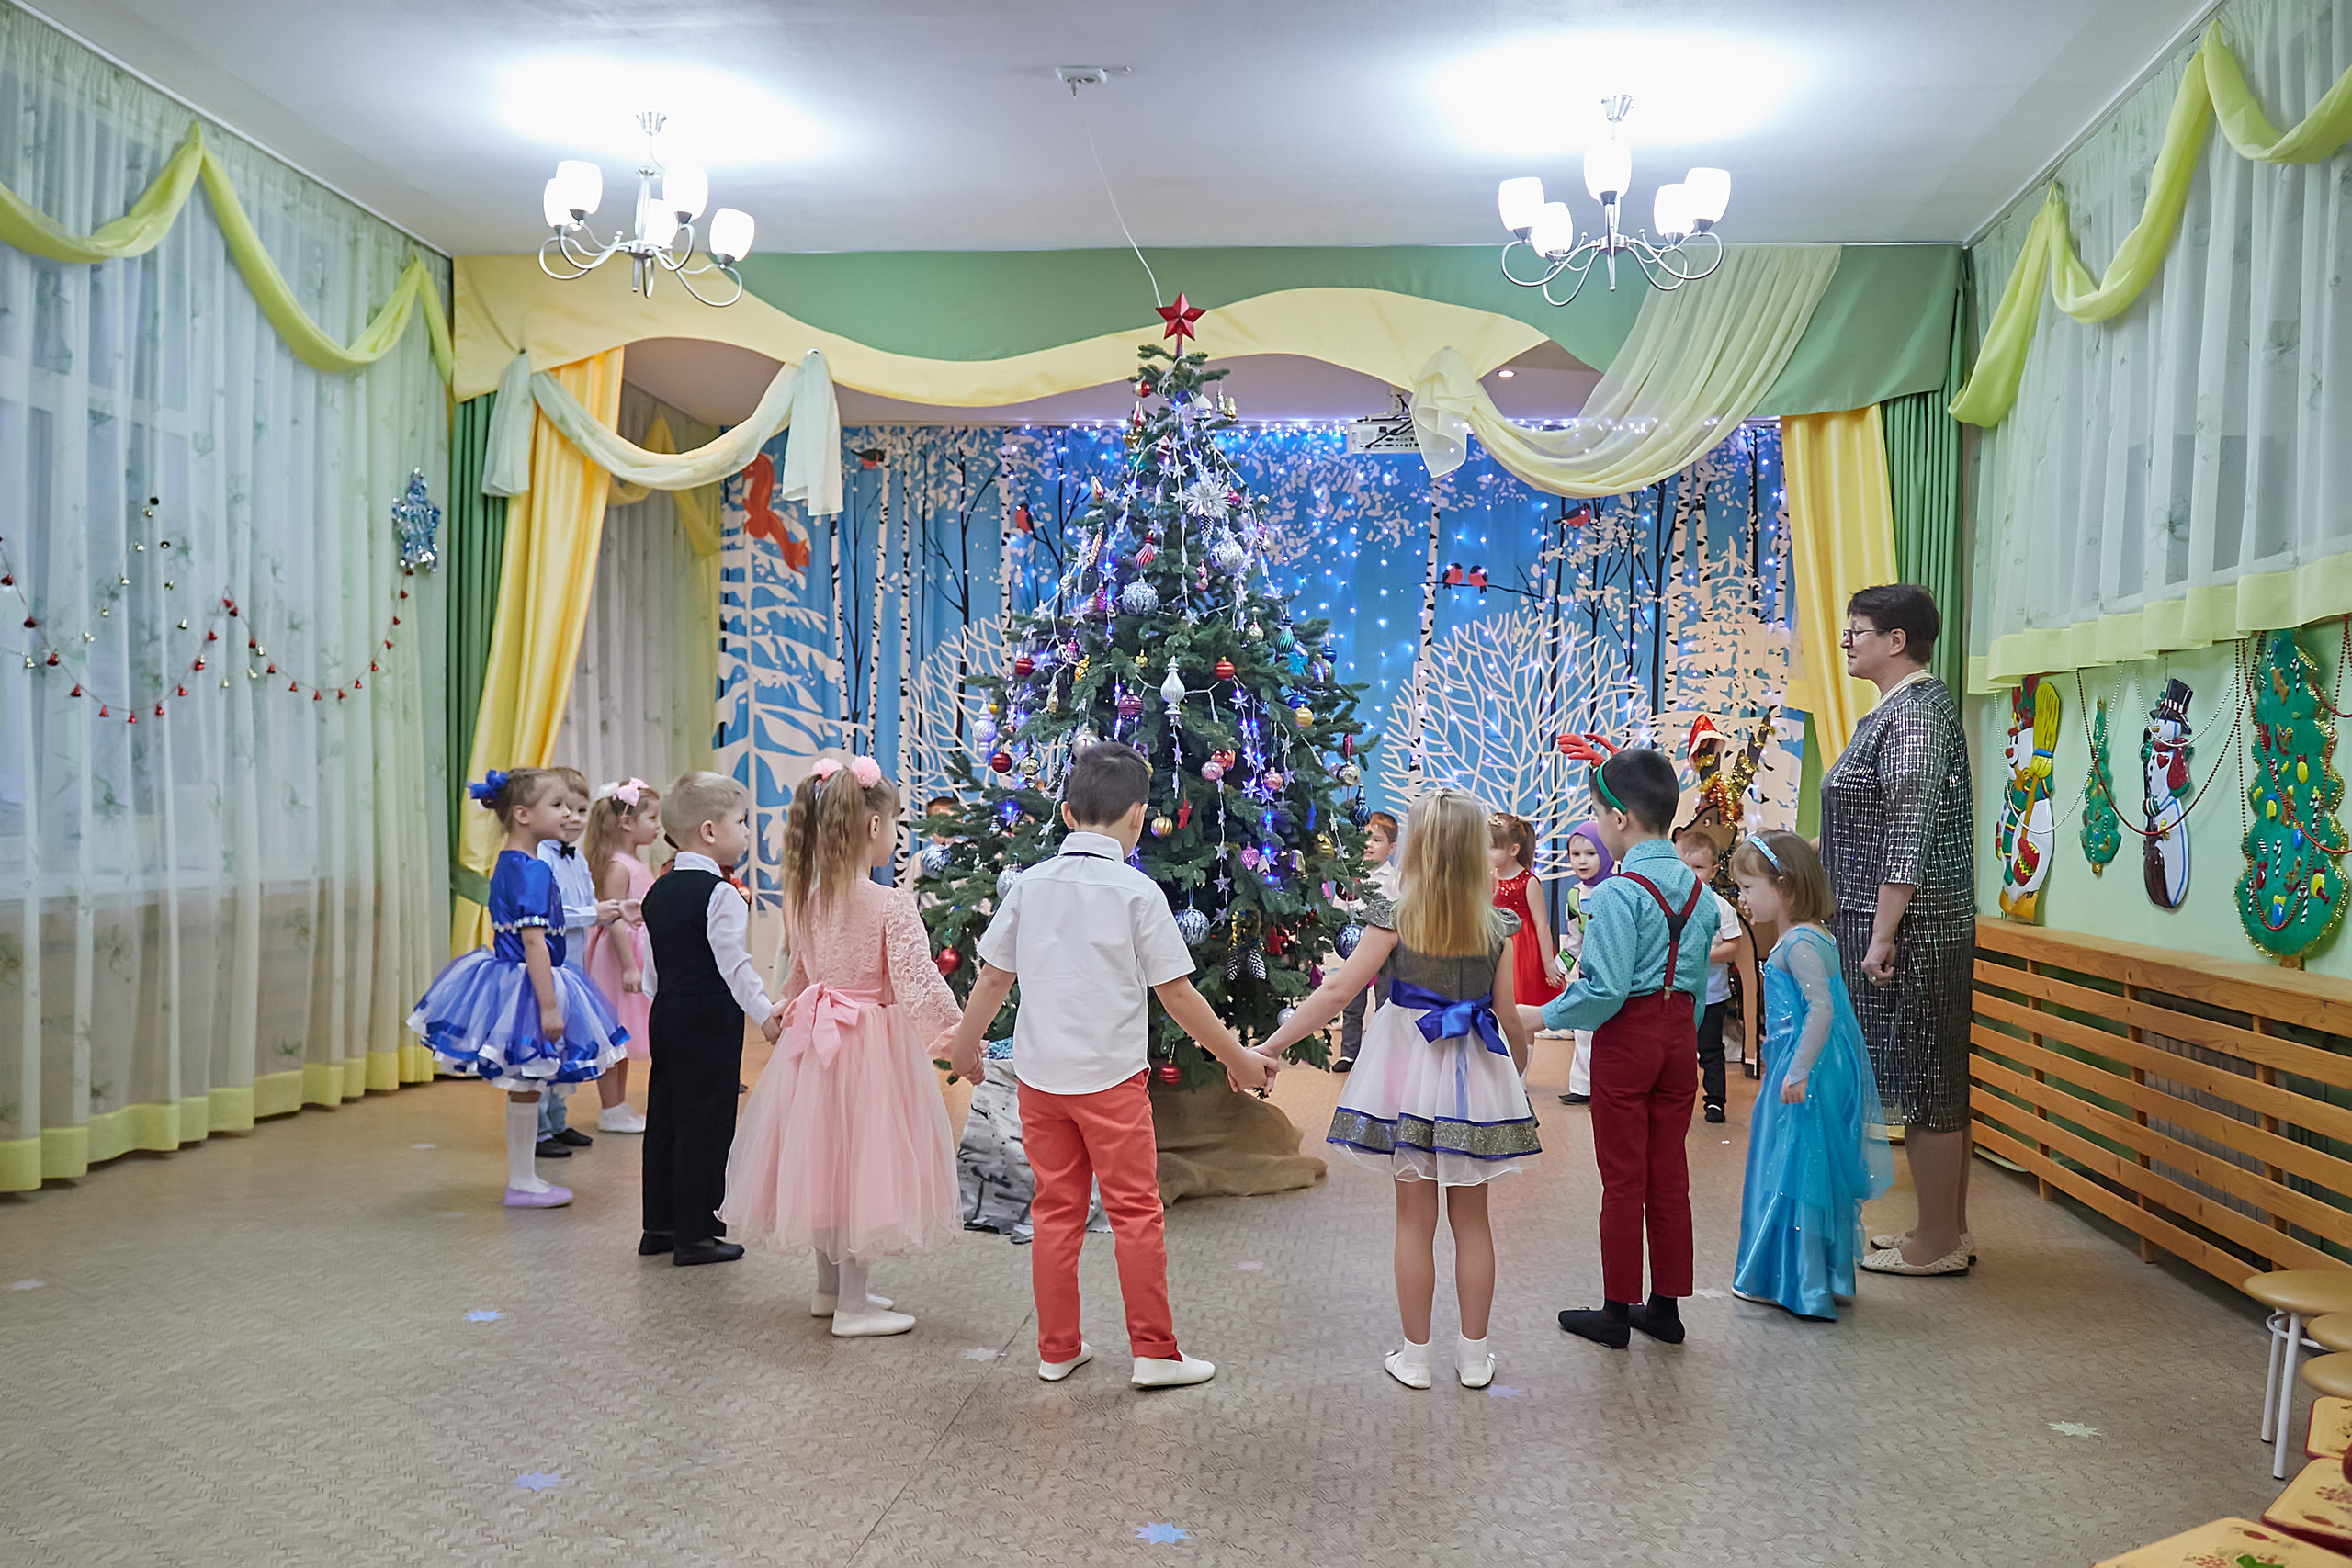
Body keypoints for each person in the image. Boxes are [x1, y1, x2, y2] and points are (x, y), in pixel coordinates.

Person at [944, 741, 1273, 1390]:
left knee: (1056, 1210)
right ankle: (1155, 1352)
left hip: (1042, 1081)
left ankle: (1056, 1347)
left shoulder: (1031, 885)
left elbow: (991, 979)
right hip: (1112, 1083)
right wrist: (1239, 1057)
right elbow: (1177, 994)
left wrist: (963, 1045)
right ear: (1137, 817)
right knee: (1134, 1213)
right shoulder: (1137, 892)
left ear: (1066, 813)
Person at [1257, 790, 1537, 1392]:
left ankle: (1414, 1357)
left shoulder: (1395, 913)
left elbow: (1338, 994)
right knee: (1474, 1220)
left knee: (1413, 1220)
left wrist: (1272, 1045)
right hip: (1474, 1072)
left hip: (1407, 1070)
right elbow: (1509, 1015)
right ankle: (1473, 1356)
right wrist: (1515, 1066)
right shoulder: (1497, 924)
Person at [722, 756, 962, 1337]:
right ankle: (854, 1306)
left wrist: (781, 1010)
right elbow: (919, 981)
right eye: (896, 824)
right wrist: (959, 1040)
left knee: (826, 1163)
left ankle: (829, 1291)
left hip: (813, 1047)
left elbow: (801, 975)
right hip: (868, 1049)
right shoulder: (889, 903)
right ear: (874, 827)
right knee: (862, 1168)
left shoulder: (807, 897)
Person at [1527, 749, 1718, 1349]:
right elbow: (1695, 982)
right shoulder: (1699, 892)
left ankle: (1615, 1312)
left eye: (1593, 812)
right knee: (1669, 1174)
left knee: (1622, 1178)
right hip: (1678, 1036)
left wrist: (1542, 1014)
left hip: (1628, 1041)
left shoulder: (1614, 894)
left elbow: (1604, 991)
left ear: (1617, 819)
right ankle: (1665, 1307)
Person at [1819, 585, 1979, 1279]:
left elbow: (1907, 834)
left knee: (1930, 1081)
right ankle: (1942, 1228)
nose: (1847, 641)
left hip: (1913, 931)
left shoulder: (1915, 714)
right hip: (1898, 924)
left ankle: (1939, 1238)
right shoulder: (1901, 708)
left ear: (1897, 640)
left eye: (1858, 630)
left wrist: (1883, 933)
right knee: (1931, 1079)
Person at [408, 769, 628, 1209]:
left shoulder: (511, 860)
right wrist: (549, 1006)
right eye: (557, 805)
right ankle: (523, 1180)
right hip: (528, 984)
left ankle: (525, 1177)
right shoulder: (530, 870)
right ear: (523, 815)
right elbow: (533, 941)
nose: (568, 814)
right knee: (527, 1081)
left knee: (525, 1084)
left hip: (513, 979)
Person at [1727, 831, 1894, 1319]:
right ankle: (1823, 1273)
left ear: (1786, 888)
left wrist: (1797, 1070)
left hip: (1807, 1068)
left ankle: (1796, 1281)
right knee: (1809, 1168)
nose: (1743, 898)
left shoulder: (1798, 941)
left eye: (1750, 888)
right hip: (1810, 1060)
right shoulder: (1814, 934)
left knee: (1793, 1168)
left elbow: (1820, 1011)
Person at [639, 772, 786, 1267]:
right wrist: (765, 1016)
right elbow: (734, 964)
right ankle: (697, 1233)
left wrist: (663, 1005)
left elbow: (651, 967)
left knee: (666, 1116)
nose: (746, 833)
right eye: (741, 823)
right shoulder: (721, 893)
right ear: (709, 831)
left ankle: (659, 1226)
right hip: (708, 1015)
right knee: (707, 1120)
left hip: (668, 1012)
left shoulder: (658, 891)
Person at [534, 768, 623, 1158]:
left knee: (565, 1047)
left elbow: (587, 903)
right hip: (547, 968)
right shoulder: (538, 856)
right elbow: (548, 914)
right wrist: (594, 914)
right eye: (561, 808)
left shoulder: (578, 860)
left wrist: (615, 911)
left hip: (573, 968)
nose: (572, 818)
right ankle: (537, 1130)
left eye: (580, 810)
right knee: (542, 1048)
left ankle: (557, 1119)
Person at [582, 778, 659, 1134]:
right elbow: (612, 917)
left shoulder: (633, 861)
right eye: (653, 819)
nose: (658, 827)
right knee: (613, 1033)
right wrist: (629, 966)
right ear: (627, 822)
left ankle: (618, 1103)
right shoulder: (618, 865)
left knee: (624, 1036)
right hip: (617, 959)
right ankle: (609, 1106)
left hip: (632, 952)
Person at [1673, 825, 1749, 1125]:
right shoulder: (1668, 902)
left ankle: (1715, 1101)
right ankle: (1677, 1101)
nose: (1691, 874)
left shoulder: (1718, 906)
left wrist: (1701, 957)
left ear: (1714, 870)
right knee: (1677, 1052)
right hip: (1677, 994)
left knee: (1710, 1050)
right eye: (1684, 866)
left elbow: (1732, 946)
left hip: (1712, 996)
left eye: (1699, 868)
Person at [1334, 810, 1400, 1072]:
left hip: (1386, 953)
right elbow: (1340, 905)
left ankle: (1381, 1053)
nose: (1369, 845)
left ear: (1391, 847)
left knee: (1385, 1002)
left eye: (1377, 840)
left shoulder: (1394, 879)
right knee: (1352, 1002)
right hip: (1356, 948)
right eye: (1366, 839)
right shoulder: (1352, 877)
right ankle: (1349, 1053)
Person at [1555, 821, 1616, 1106]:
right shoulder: (1574, 895)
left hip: (1614, 971)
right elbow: (1574, 938)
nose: (1582, 861)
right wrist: (1560, 964)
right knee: (1582, 1029)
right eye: (1575, 854)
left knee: (1610, 1032)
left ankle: (1607, 1087)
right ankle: (1582, 1085)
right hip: (1585, 973)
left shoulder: (1618, 888)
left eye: (1590, 853)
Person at [1489, 812, 1566, 1012]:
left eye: (1492, 847)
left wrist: (1548, 962)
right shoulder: (1488, 878)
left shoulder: (1528, 882)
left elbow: (1542, 924)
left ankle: (1526, 1045)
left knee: (1523, 1003)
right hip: (1494, 944)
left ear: (1513, 850)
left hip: (1523, 951)